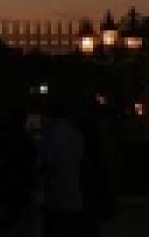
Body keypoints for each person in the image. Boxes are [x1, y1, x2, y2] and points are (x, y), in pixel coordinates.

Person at [40, 98, 85, 237]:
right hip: (74, 196)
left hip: (56, 198)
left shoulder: (51, 134)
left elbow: (47, 164)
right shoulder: (76, 134)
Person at [0, 108, 37, 236]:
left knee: (10, 224)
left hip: (9, 187)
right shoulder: (26, 140)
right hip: (20, 187)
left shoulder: (4, 140)